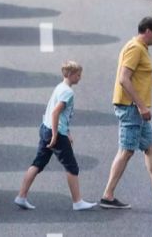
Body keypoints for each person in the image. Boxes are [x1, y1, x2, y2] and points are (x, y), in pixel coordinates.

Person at [100, 17, 152, 209]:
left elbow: (134, 77)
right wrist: (142, 106)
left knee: (149, 148)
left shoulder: (141, 48)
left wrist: (149, 82)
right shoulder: (135, 48)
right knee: (126, 151)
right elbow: (124, 79)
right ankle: (107, 195)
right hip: (131, 108)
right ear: (148, 31)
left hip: (135, 108)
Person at [15, 61, 96, 211]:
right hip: (56, 132)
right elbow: (56, 112)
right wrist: (55, 135)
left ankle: (21, 196)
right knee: (72, 167)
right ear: (71, 75)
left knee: (38, 163)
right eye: (78, 75)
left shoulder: (60, 87)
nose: (80, 78)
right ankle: (77, 202)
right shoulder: (68, 92)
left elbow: (59, 114)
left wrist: (67, 132)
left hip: (46, 128)